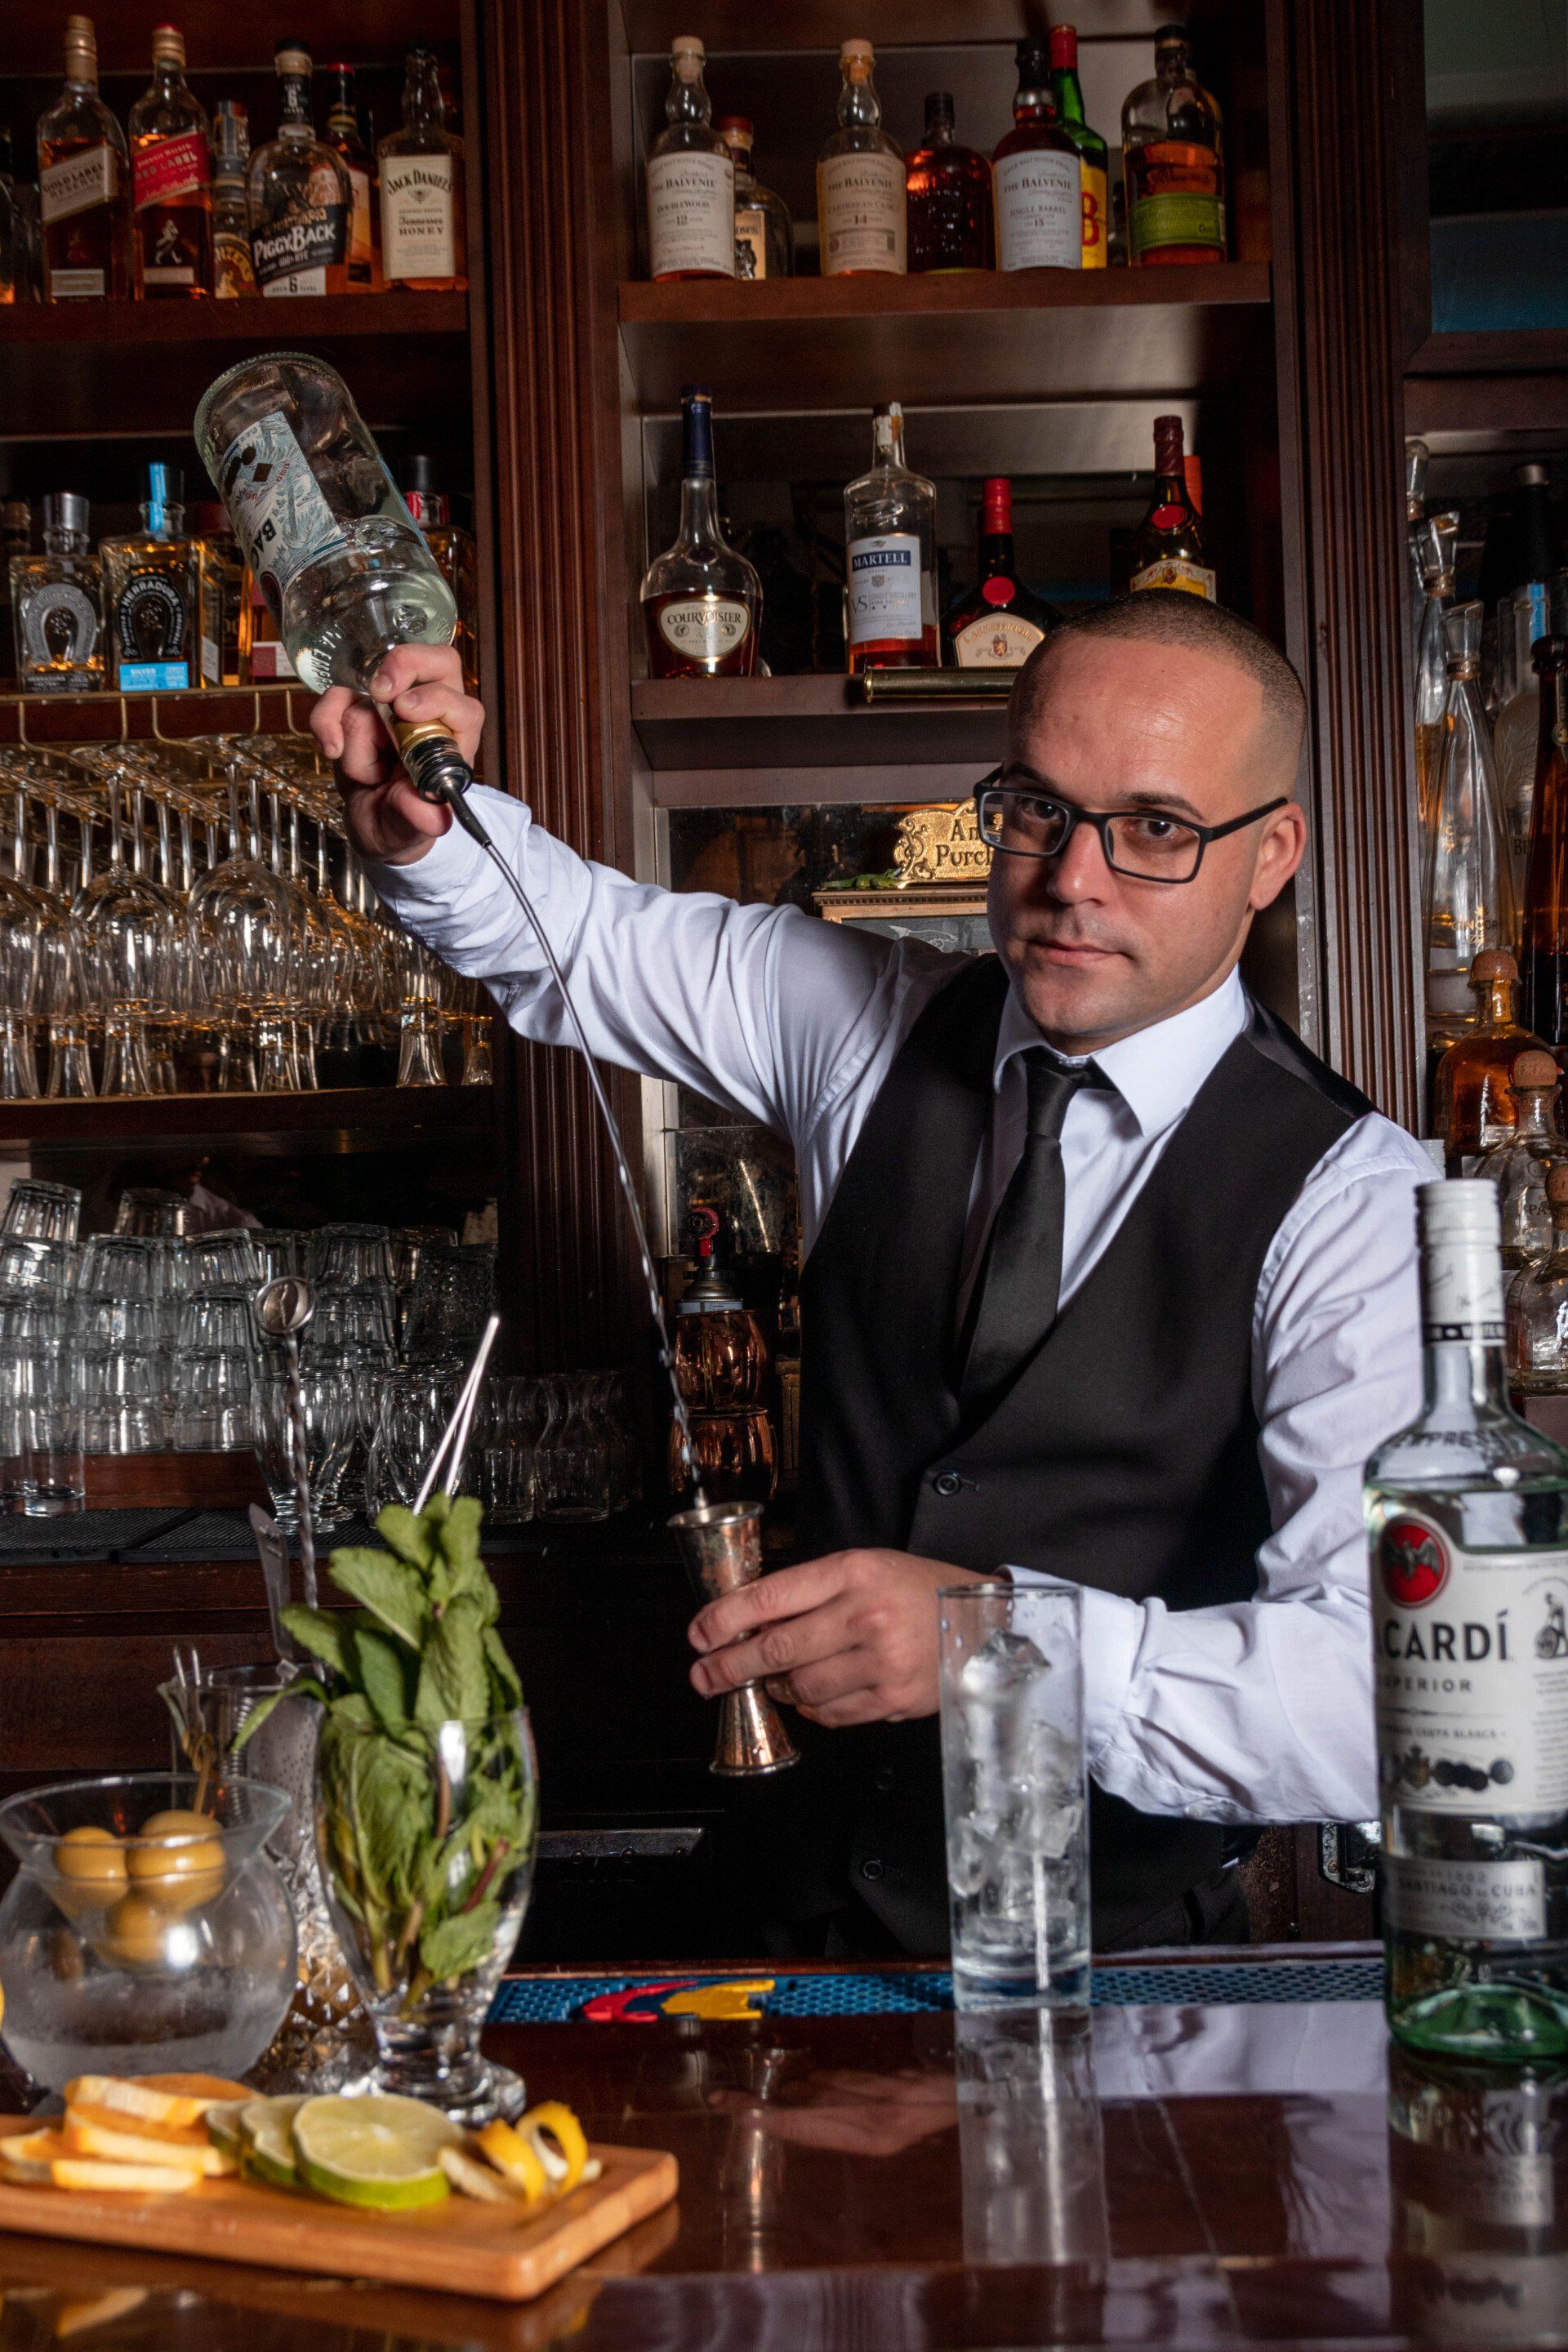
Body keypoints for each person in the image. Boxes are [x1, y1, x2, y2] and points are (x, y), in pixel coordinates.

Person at [313, 589, 1432, 1954]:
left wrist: (999, 1645)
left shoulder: (1357, 1203)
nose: (1074, 879)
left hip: (1126, 1961)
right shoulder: (871, 1023)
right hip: (790, 1911)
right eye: (1037, 809)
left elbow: (1378, 1687)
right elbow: (580, 943)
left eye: (1156, 830)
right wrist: (432, 833)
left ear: (1272, 858)